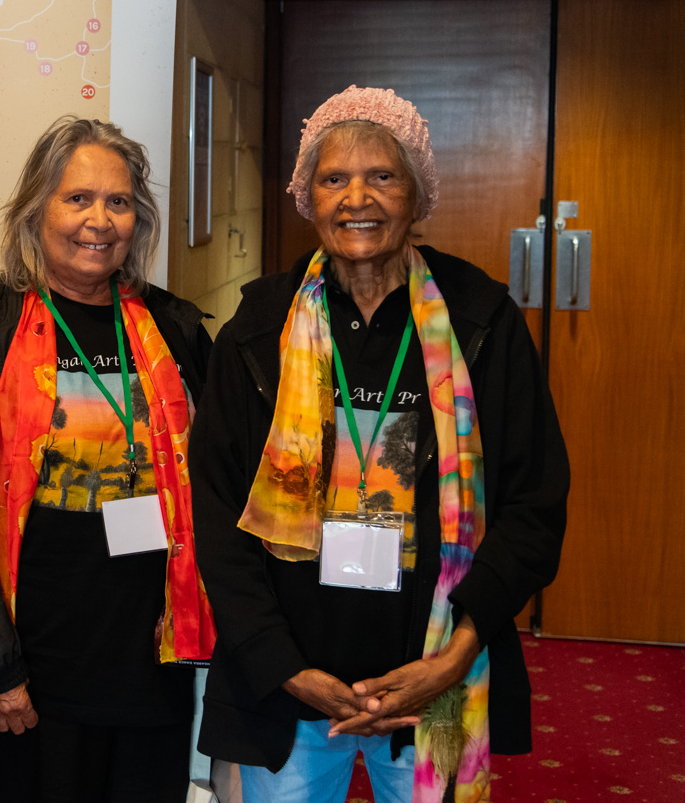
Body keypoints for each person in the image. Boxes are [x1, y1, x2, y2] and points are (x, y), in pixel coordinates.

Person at [189, 85, 569, 803]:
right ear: (308, 195)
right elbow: (216, 512)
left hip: (439, 674)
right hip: (288, 675)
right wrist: (284, 665)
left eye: (382, 177)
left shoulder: (482, 321)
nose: (356, 198)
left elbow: (534, 503)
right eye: (333, 178)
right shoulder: (256, 331)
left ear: (418, 195)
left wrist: (454, 658)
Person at [0, 116, 216, 802]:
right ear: (36, 210)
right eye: (77, 198)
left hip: (151, 669)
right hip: (32, 673)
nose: (99, 220)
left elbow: (219, 491)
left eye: (118, 202)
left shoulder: (176, 329)